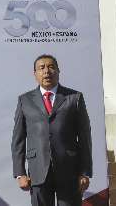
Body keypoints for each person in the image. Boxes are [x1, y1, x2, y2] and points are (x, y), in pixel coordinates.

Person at [11, 54, 92, 206]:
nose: (47, 71)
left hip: (69, 171)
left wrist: (85, 172)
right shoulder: (25, 100)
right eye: (41, 68)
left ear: (58, 71)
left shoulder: (74, 98)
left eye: (51, 67)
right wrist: (20, 173)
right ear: (35, 73)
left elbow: (85, 138)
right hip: (38, 172)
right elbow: (18, 139)